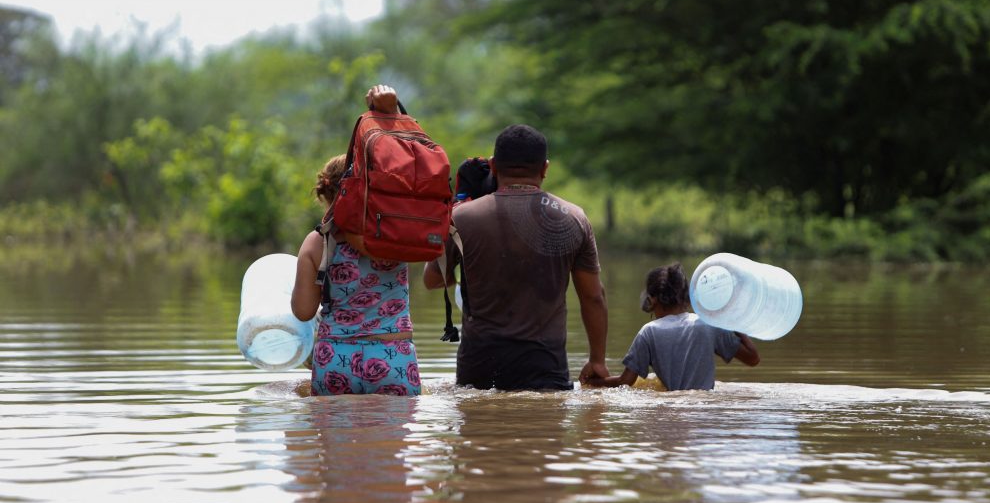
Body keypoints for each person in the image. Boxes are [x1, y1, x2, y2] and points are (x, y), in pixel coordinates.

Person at [422, 124, 609, 391]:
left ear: (494, 166)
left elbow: (432, 280)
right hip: (546, 366)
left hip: (479, 367)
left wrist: (458, 205)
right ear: (545, 168)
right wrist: (597, 360)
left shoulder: (461, 218)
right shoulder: (573, 218)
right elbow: (593, 296)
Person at [291, 85, 421, 396]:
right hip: (392, 356)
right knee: (391, 445)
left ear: (326, 194)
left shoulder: (317, 242)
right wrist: (391, 115)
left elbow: (303, 311)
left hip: (335, 358)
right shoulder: (395, 231)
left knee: (336, 443)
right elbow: (410, 162)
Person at [581, 263, 760, 391]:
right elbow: (753, 358)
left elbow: (625, 382)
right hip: (705, 412)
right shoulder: (708, 324)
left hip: (670, 411)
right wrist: (731, 319)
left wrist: (592, 383)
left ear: (652, 300)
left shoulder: (648, 332)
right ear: (687, 297)